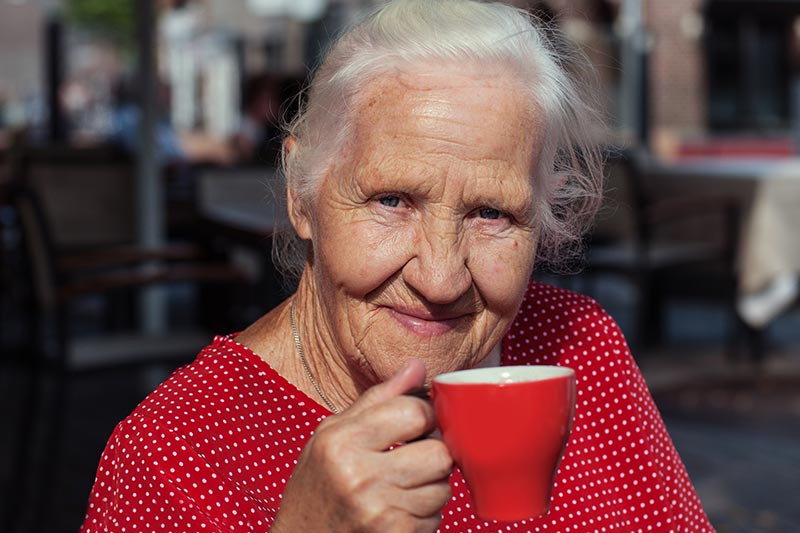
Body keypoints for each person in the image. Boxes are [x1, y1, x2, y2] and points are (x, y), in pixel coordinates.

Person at [81, 1, 715, 531]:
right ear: (302, 193)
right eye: (392, 201)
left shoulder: (578, 350)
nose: (440, 280)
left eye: (492, 213)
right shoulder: (174, 455)